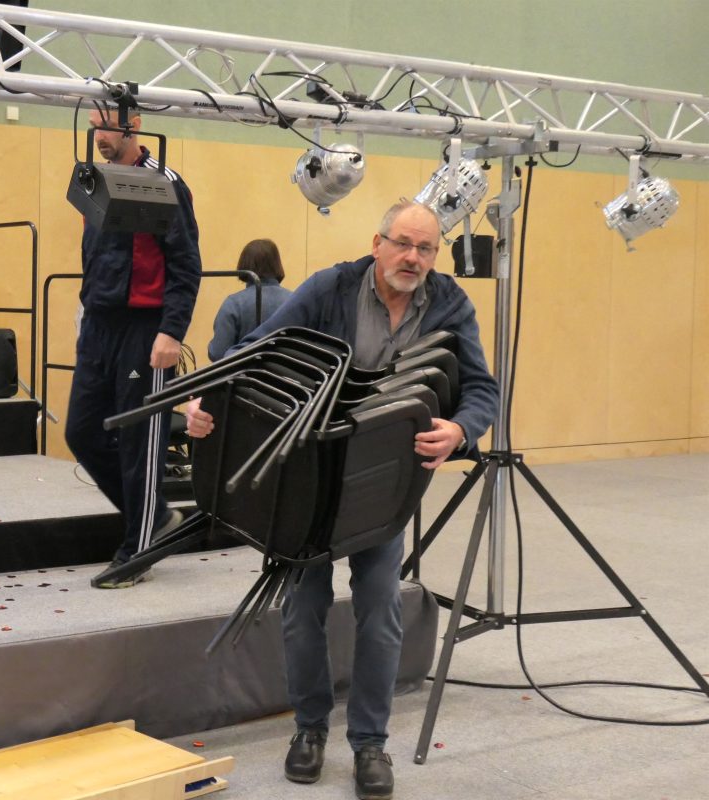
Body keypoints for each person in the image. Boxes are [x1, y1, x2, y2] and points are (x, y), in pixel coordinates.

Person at [185, 199, 497, 800]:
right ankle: (309, 729)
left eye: (425, 248)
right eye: (402, 243)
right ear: (377, 243)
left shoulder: (450, 304)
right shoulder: (331, 288)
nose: (412, 257)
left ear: (436, 255)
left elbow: (481, 387)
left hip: (384, 481)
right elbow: (258, 347)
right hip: (309, 473)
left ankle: (370, 742)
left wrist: (461, 428)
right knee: (304, 606)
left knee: (380, 605)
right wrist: (208, 399)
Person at [65, 106, 202, 589]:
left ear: (134, 123)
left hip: (145, 329)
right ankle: (155, 517)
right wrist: (86, 313)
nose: (98, 136)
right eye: (93, 126)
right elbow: (93, 256)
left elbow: (186, 263)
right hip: (99, 325)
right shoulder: (95, 180)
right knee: (81, 432)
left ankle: (138, 549)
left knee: (140, 442)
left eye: (106, 125)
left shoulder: (165, 182)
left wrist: (172, 331)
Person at [207, 238, 293, 361]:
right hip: (287, 372)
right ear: (277, 264)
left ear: (244, 264)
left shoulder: (234, 303)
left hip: (244, 372)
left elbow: (218, 353)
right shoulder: (294, 300)